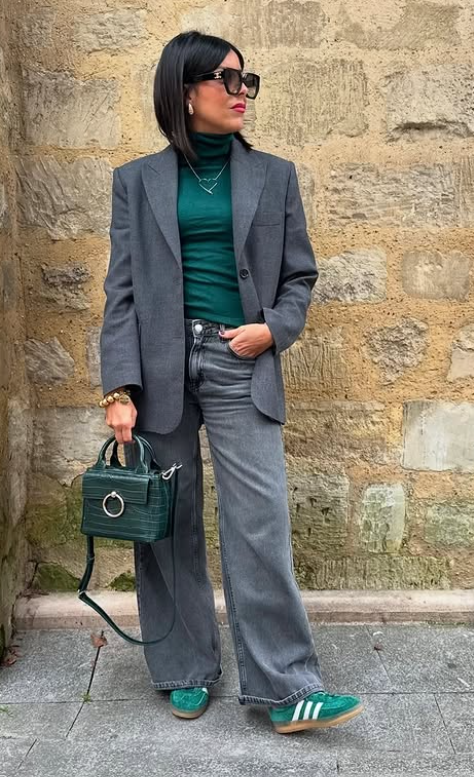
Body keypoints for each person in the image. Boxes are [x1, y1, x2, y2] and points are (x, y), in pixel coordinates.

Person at [99, 30, 364, 734]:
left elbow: (300, 275)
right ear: (186, 91)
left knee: (258, 523)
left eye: (248, 82)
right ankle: (183, 666)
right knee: (168, 523)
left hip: (238, 357)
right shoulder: (136, 181)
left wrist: (273, 328)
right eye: (227, 80)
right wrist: (118, 386)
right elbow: (121, 290)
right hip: (158, 367)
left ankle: (284, 688)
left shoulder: (274, 175)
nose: (241, 93)